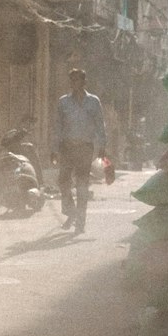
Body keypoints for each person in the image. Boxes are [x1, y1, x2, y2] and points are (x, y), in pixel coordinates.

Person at [51, 67, 106, 233]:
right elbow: (58, 127)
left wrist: (102, 145)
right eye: (72, 80)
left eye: (77, 80)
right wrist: (54, 148)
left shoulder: (94, 101)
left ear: (84, 82)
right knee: (63, 182)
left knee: (82, 185)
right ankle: (71, 212)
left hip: (85, 148)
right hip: (67, 148)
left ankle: (80, 221)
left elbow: (100, 125)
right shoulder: (63, 102)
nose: (74, 83)